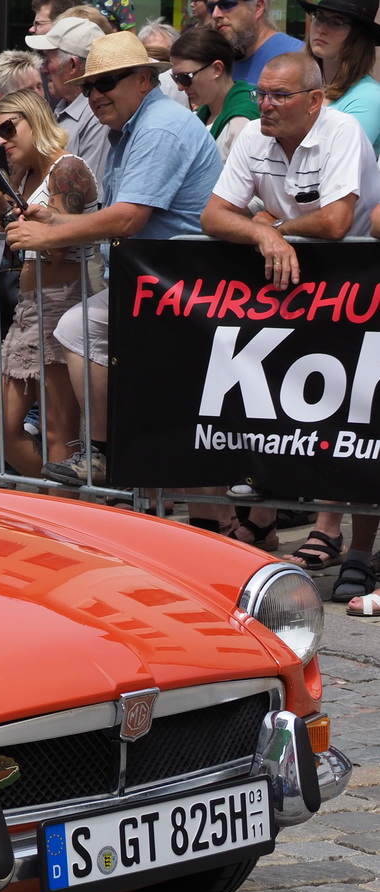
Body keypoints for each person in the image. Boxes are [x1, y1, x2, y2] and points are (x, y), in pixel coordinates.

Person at [5, 32, 222, 486]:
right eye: (87, 87)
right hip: (158, 284)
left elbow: (128, 219)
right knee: (177, 417)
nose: (95, 95)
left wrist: (47, 233)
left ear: (144, 79)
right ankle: (118, 464)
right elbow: (119, 215)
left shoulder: (159, 126)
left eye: (108, 82)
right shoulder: (132, 126)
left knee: (84, 334)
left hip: (187, 287)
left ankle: (104, 453)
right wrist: (56, 222)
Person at [200, 51, 380, 567]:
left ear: (315, 100)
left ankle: (343, 539)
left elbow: (337, 222)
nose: (266, 105)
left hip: (356, 290)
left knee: (350, 415)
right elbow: (213, 215)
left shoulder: (342, 131)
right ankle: (267, 516)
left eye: (280, 95)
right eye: (261, 94)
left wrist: (272, 227)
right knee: (278, 405)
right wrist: (258, 230)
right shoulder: (254, 136)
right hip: (293, 288)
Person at [0, 90, 98, 474]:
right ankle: (54, 498)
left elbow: (54, 248)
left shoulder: (68, 169)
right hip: (28, 307)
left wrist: (4, 212)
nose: (1, 141)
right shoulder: (22, 173)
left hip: (64, 303)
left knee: (58, 432)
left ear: (35, 120)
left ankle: (66, 515)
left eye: (7, 128)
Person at [28, 16, 114, 187]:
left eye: (47, 60)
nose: (43, 69)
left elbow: (85, 191)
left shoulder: (97, 115)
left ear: (73, 66)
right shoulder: (62, 109)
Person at [172, 23, 260, 157]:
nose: (180, 87)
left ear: (217, 69)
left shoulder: (241, 123)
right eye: (176, 78)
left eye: (185, 77)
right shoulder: (203, 113)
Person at [303, 0, 380, 149]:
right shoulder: (300, 83)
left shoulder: (369, 97)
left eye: (336, 23)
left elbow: (337, 159)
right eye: (318, 17)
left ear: (359, 37)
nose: (321, 29)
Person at [213, 0, 306, 83]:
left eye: (226, 4)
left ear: (258, 7)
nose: (215, 14)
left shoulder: (299, 55)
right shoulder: (215, 62)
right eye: (211, 7)